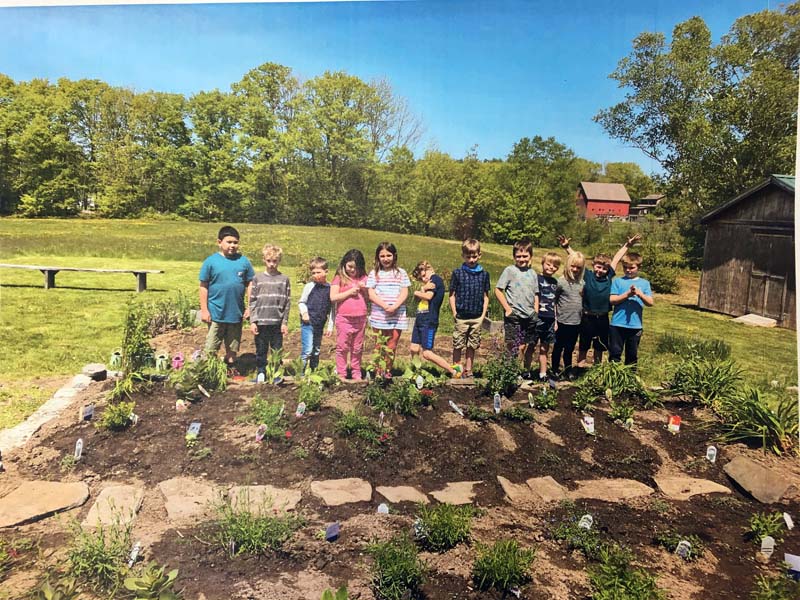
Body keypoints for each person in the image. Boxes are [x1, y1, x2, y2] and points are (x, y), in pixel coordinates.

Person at [558, 234, 640, 366]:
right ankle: (579, 370)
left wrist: (627, 245)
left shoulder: (608, 276)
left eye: (604, 268)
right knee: (583, 347)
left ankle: (596, 370)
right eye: (598, 267)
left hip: (602, 318)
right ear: (593, 265)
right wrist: (567, 247)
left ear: (608, 269)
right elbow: (578, 259)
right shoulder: (588, 275)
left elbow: (617, 258)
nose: (600, 270)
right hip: (586, 318)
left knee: (599, 348)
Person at [199, 225, 255, 375]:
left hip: (235, 313)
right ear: (219, 242)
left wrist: (250, 307)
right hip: (216, 312)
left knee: (233, 346)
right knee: (211, 346)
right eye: (229, 242)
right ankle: (208, 373)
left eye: (235, 242)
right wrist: (204, 310)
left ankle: (230, 370)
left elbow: (250, 284)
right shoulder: (211, 262)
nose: (232, 246)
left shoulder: (243, 262)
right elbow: (203, 286)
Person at [494, 239, 539, 375]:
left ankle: (524, 372)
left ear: (530, 256)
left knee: (524, 345)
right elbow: (498, 290)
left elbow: (536, 293)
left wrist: (536, 311)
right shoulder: (510, 271)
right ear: (514, 257)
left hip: (529, 315)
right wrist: (508, 309)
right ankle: (509, 371)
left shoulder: (533, 273)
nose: (521, 259)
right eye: (518, 256)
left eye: (525, 256)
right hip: (514, 315)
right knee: (512, 344)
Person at [410, 261, 462, 378]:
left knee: (427, 353)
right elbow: (419, 299)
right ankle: (416, 371)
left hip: (429, 321)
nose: (424, 279)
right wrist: (422, 289)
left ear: (430, 269)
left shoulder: (435, 279)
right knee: (413, 348)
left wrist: (417, 291)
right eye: (421, 278)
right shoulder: (427, 284)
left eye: (424, 275)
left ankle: (454, 370)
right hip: (420, 319)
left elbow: (428, 297)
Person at [366, 242, 411, 378]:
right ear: (378, 257)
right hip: (380, 315)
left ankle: (387, 371)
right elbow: (371, 293)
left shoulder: (401, 273)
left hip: (397, 315)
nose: (386, 259)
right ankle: (378, 372)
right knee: (379, 344)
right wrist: (385, 306)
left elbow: (404, 292)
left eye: (389, 255)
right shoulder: (374, 274)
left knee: (392, 345)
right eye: (382, 256)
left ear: (394, 256)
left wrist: (395, 306)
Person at [249, 244, 291, 383]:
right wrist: (253, 321)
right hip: (261, 321)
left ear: (279, 261)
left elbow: (287, 302)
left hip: (277, 322)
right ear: (264, 260)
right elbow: (253, 300)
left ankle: (276, 373)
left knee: (276, 350)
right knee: (261, 349)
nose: (272, 264)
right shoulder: (257, 278)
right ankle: (261, 372)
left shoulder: (284, 279)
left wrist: (284, 322)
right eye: (269, 261)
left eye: (275, 261)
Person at [449, 239, 490, 378]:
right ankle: (457, 370)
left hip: (477, 317)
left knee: (472, 345)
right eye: (468, 257)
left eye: (474, 256)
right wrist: (455, 312)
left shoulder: (484, 274)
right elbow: (452, 295)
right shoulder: (458, 273)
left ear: (479, 255)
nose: (471, 260)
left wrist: (483, 315)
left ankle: (469, 370)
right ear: (463, 256)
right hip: (461, 316)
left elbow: (486, 296)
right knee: (458, 344)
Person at [330, 249, 369, 380]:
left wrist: (365, 289)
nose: (353, 270)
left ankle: (356, 372)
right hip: (344, 318)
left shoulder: (364, 278)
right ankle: (341, 373)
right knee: (342, 346)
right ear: (344, 264)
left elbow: (370, 297)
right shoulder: (339, 278)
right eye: (350, 267)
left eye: (356, 267)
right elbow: (333, 297)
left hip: (361, 318)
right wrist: (349, 292)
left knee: (357, 347)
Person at [609, 252, 653, 366]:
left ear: (639, 267)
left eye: (632, 268)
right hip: (617, 324)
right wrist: (627, 295)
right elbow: (612, 300)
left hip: (635, 325)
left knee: (632, 355)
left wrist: (640, 294)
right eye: (625, 267)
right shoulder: (618, 281)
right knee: (615, 353)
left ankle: (630, 379)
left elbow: (650, 302)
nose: (628, 270)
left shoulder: (644, 283)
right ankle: (613, 377)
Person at [552, 251, 586, 379]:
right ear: (568, 265)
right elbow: (554, 301)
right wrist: (555, 320)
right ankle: (555, 369)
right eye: (573, 266)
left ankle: (568, 369)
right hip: (561, 321)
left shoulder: (582, 283)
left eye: (578, 267)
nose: (575, 269)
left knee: (570, 348)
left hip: (576, 322)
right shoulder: (560, 282)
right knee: (558, 347)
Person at [298, 257, 334, 373]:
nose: (315, 275)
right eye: (313, 273)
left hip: (320, 324)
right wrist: (304, 313)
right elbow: (301, 302)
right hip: (308, 323)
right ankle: (301, 373)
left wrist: (330, 326)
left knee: (316, 349)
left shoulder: (330, 288)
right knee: (307, 350)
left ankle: (314, 372)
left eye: (318, 272)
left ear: (326, 272)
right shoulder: (309, 286)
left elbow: (332, 310)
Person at [534, 252, 560, 381]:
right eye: (548, 264)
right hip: (537, 317)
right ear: (543, 263)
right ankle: (525, 371)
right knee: (530, 345)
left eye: (555, 266)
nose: (551, 267)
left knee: (545, 347)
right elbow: (534, 297)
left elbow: (554, 302)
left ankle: (542, 373)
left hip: (549, 318)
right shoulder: (537, 279)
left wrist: (555, 320)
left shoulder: (555, 282)